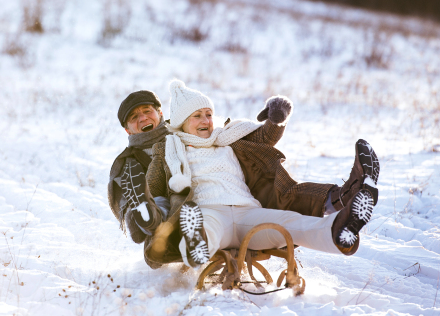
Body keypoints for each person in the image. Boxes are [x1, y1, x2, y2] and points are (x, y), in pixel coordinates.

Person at [107, 85, 379, 267]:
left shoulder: (226, 138)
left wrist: (276, 119)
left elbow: (261, 138)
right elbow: (153, 187)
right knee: (205, 229)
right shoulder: (166, 150)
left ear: (161, 114)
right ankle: (195, 246)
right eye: (197, 116)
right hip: (205, 210)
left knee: (290, 223)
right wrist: (147, 211)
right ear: (127, 129)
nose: (205, 121)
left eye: (208, 114)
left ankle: (338, 232)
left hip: (248, 210)